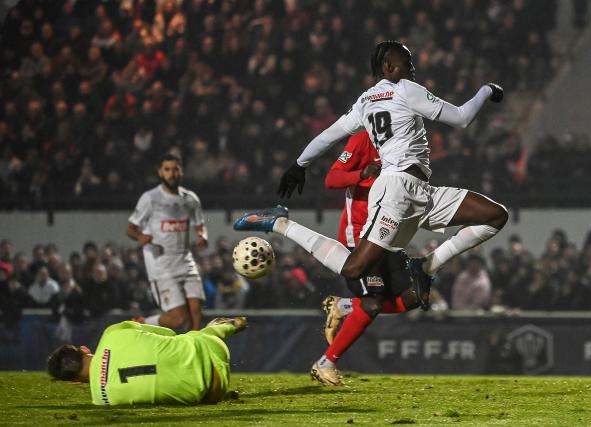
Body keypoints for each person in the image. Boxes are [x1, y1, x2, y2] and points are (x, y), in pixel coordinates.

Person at [234, 40, 507, 355]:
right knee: (353, 269)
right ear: (389, 67)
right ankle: (279, 224)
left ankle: (426, 267)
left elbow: (328, 135)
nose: (413, 68)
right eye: (407, 62)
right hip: (396, 190)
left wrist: (300, 164)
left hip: (421, 192)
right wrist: (486, 90)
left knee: (495, 215)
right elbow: (461, 118)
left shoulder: (364, 102)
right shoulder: (404, 88)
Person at [311, 130, 427, 386]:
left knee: (415, 297)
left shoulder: (409, 143)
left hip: (390, 237)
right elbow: (332, 179)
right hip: (360, 239)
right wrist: (361, 174)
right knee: (372, 304)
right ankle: (325, 363)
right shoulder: (363, 139)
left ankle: (344, 306)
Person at [46, 317, 247, 405]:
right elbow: (168, 332)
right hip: (213, 349)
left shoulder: (102, 400)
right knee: (188, 338)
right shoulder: (111, 333)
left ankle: (217, 389)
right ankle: (220, 328)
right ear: (84, 349)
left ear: (75, 381)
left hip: (212, 390)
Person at [127, 153, 208, 331]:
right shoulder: (150, 198)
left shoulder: (190, 199)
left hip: (186, 261)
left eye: (176, 169)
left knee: (196, 312)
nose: (172, 173)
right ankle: (142, 323)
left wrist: (202, 236)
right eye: (167, 169)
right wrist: (141, 237)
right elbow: (131, 228)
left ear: (182, 172)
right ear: (160, 173)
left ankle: (191, 352)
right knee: (179, 318)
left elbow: (200, 225)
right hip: (161, 265)